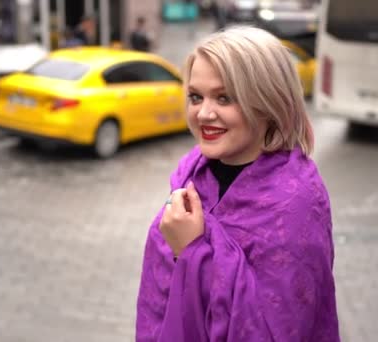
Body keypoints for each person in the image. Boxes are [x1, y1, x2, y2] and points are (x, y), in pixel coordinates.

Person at [136, 26, 340, 341]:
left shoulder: (296, 203)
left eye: (224, 98)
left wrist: (192, 252)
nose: (203, 113)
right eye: (195, 96)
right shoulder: (192, 175)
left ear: (268, 103)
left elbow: (275, 331)